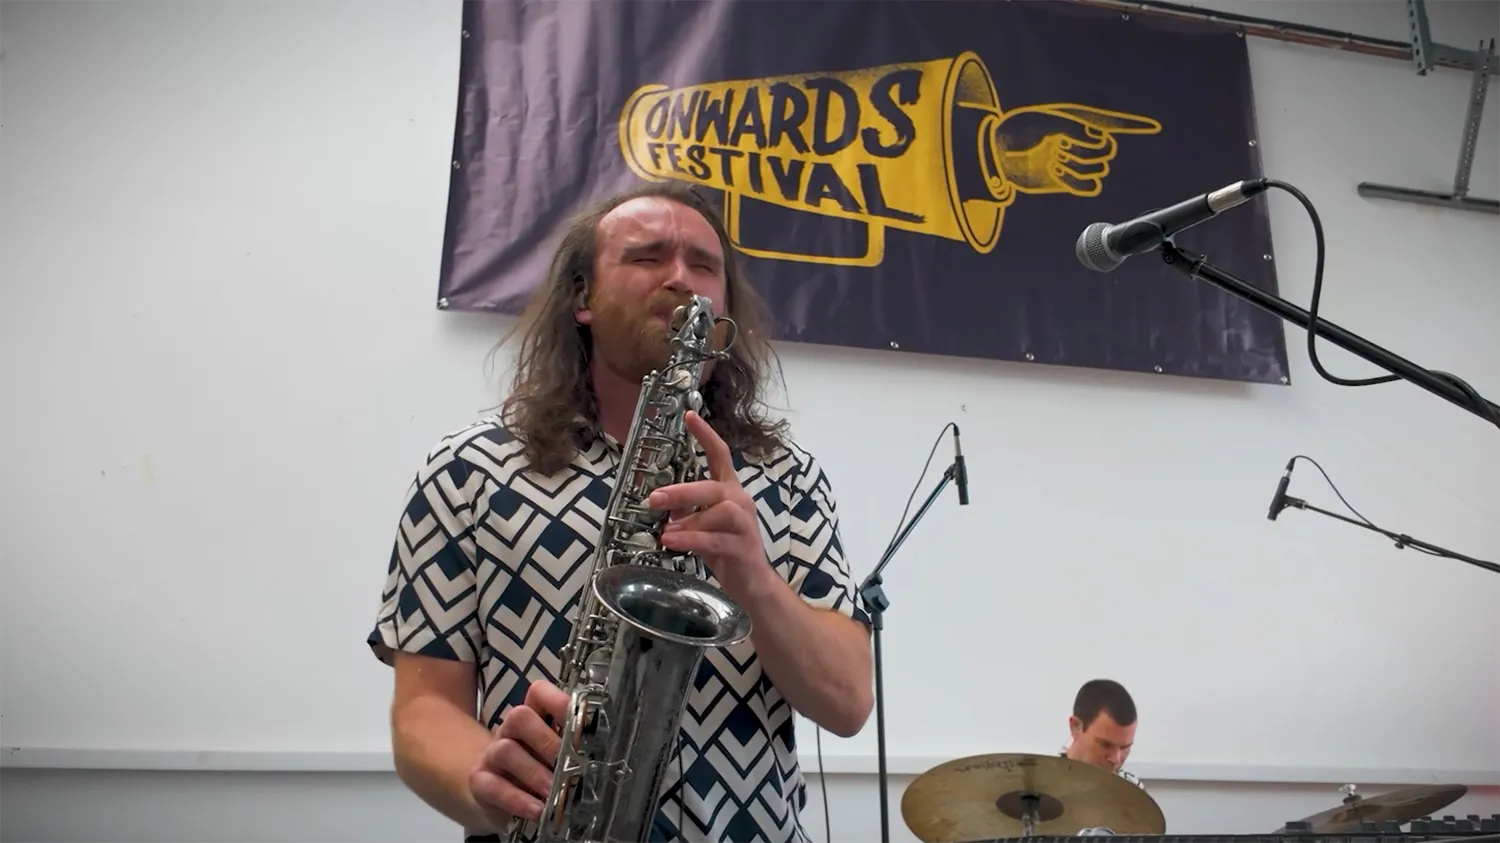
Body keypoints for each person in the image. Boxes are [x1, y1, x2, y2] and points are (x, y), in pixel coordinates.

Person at [367, 181, 875, 843]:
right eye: (647, 257)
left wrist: (752, 575)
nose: (679, 279)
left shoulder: (791, 476)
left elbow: (847, 701)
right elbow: (424, 708)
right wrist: (485, 782)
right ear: (582, 298)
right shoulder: (466, 469)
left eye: (703, 264)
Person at [1061, 678, 1147, 790]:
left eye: (1125, 747)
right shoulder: (1041, 786)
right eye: (1105, 745)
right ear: (1075, 726)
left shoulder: (1133, 789)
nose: (1116, 759)